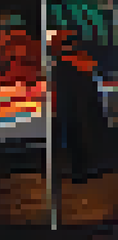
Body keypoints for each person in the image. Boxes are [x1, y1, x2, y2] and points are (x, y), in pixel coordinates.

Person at [48, 28, 117, 183]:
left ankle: (82, 170)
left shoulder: (62, 63)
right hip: (85, 106)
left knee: (79, 135)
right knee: (86, 133)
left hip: (75, 108)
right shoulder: (81, 60)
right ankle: (88, 168)